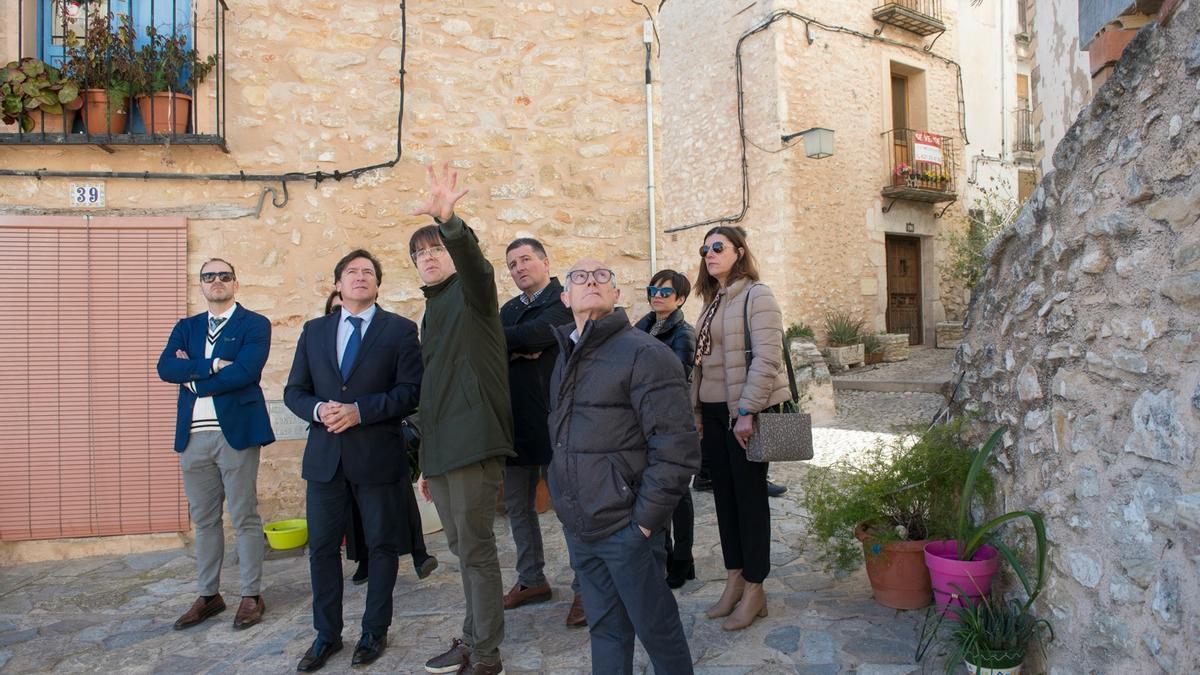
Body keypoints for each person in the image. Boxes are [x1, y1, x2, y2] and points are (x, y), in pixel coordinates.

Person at [549, 259, 699, 675]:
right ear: (565, 297)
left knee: (657, 631)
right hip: (581, 527)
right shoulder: (566, 354)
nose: (591, 281)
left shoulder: (647, 354)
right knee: (606, 631)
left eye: (602, 276)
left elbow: (677, 450)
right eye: (579, 277)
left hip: (627, 530)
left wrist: (644, 525)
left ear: (616, 294)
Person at [284, 250, 423, 671]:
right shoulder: (314, 331)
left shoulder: (400, 330)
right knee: (322, 549)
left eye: (368, 272)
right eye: (351, 272)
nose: (360, 277)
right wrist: (317, 410)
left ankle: (374, 631)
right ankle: (326, 635)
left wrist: (360, 411)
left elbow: (411, 392)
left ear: (378, 284)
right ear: (338, 284)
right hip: (325, 460)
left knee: (381, 546)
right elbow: (294, 391)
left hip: (377, 457)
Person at [410, 163, 514, 675]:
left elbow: (477, 266)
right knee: (461, 549)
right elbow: (432, 393)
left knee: (475, 550)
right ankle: (473, 639)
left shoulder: (473, 295)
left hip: (473, 441)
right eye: (419, 254)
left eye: (435, 248)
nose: (427, 257)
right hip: (443, 449)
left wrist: (449, 222)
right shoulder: (432, 311)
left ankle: (486, 654)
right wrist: (425, 463)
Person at [156, 258, 275, 633]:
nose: (217, 281)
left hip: (235, 433)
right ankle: (209, 595)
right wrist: (214, 364)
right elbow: (165, 368)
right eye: (209, 276)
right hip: (193, 437)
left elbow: (246, 372)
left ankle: (251, 594)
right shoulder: (186, 327)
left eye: (225, 275)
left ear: (235, 283)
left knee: (244, 516)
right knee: (205, 520)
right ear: (201, 285)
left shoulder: (254, 324)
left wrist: (192, 376)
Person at [691, 226, 792, 631]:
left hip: (745, 414)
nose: (710, 254)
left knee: (750, 501)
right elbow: (703, 363)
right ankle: (735, 578)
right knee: (725, 501)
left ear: (739, 252)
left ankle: (755, 587)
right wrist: (698, 412)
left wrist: (747, 410)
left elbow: (767, 358)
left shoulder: (757, 295)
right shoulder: (712, 301)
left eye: (718, 247)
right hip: (715, 414)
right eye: (705, 249)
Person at [497, 238, 588, 626]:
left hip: (555, 423)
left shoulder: (561, 300)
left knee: (568, 509)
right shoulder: (507, 309)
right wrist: (521, 346)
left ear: (546, 262)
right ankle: (532, 579)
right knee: (518, 507)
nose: (519, 268)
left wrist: (520, 344)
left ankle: (586, 588)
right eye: (512, 264)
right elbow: (491, 345)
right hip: (515, 425)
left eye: (525, 259)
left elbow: (542, 332)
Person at [323, 290, 438, 586]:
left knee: (401, 497)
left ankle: (418, 551)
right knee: (354, 508)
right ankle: (364, 558)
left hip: (383, 433)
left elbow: (407, 388)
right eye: (335, 310)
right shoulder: (323, 343)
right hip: (340, 443)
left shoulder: (389, 336)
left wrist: (363, 410)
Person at [632, 269, 697, 590]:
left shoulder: (684, 333)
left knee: (678, 492)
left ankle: (683, 559)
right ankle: (667, 553)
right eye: (653, 290)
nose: (657, 296)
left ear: (680, 299)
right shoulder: (641, 327)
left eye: (665, 292)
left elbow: (675, 376)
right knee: (655, 490)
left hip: (672, 421)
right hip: (645, 420)